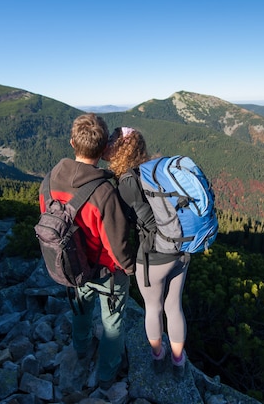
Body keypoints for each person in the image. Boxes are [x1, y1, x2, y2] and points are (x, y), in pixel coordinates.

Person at [39, 114, 135, 391]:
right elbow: (117, 246)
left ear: (72, 143)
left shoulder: (47, 183)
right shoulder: (104, 192)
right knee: (113, 322)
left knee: (80, 308)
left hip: (70, 266)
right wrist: (129, 268)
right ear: (105, 148)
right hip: (105, 272)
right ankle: (107, 375)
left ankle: (80, 349)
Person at [104, 126, 190, 378]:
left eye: (111, 141)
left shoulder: (126, 183)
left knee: (153, 308)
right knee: (174, 306)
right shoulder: (153, 171)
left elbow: (132, 224)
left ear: (119, 150)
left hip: (153, 254)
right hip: (181, 248)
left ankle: (157, 356)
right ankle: (178, 361)